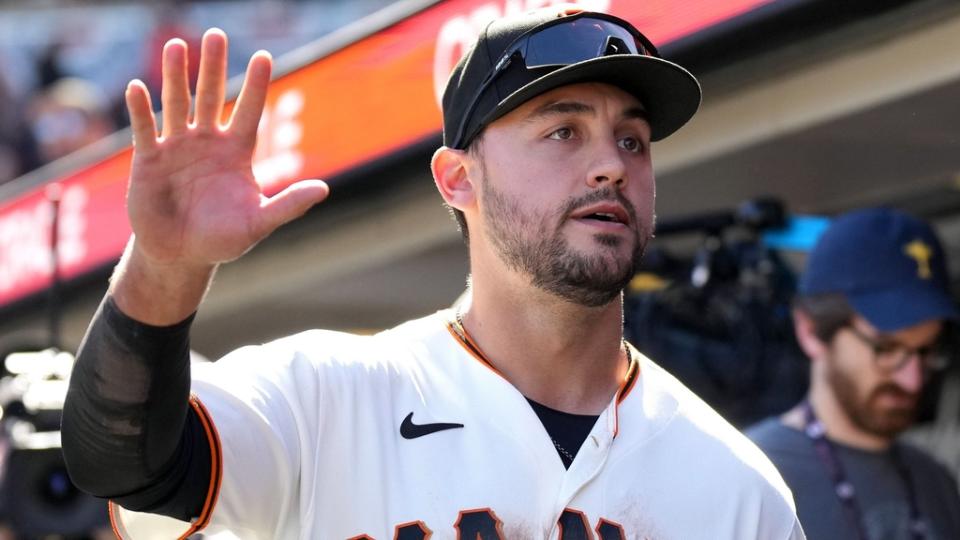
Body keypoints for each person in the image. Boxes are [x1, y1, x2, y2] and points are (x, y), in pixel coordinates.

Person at [61, 7, 804, 539]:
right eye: (563, 130)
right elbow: (122, 463)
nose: (612, 164)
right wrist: (164, 265)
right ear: (457, 179)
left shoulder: (738, 488)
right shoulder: (327, 396)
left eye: (633, 141)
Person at [746, 207, 960, 540]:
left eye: (925, 351)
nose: (913, 379)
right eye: (886, 349)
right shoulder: (750, 476)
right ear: (811, 331)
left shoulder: (936, 481)